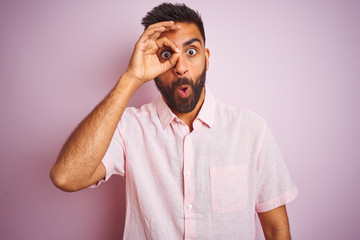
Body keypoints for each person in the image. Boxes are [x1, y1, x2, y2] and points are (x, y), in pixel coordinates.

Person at [50, 3, 298, 239]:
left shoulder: (251, 129)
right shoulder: (129, 127)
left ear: (207, 58)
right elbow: (66, 177)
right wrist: (131, 78)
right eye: (167, 54)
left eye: (191, 52)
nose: (180, 67)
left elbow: (277, 231)